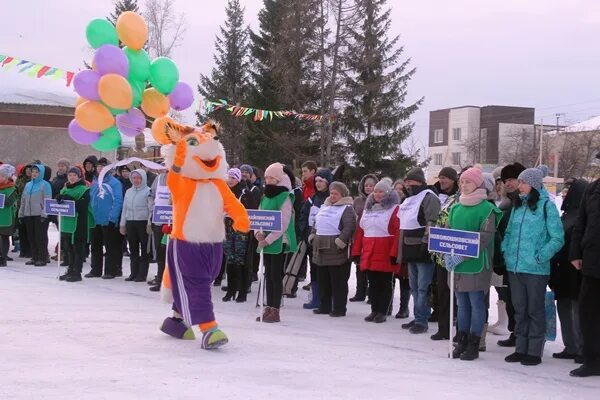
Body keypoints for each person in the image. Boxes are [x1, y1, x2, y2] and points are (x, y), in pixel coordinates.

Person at [502, 167, 564, 366]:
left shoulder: (547, 207)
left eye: (522, 182)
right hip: (515, 267)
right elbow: (509, 232)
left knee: (534, 310)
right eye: (519, 182)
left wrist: (541, 256)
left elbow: (557, 238)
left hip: (536, 269)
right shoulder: (517, 206)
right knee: (519, 309)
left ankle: (534, 351)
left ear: (534, 184)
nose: (519, 186)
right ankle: (520, 348)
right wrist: (506, 250)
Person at [444, 168, 502, 361]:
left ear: (477, 184)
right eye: (461, 182)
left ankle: (474, 342)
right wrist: (447, 253)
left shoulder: (487, 209)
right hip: (458, 265)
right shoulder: (455, 208)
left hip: (477, 264)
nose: (463, 185)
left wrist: (463, 254)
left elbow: (485, 238)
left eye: (467, 182)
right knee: (462, 304)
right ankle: (461, 339)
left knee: (476, 303)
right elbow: (448, 233)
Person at [398, 167, 441, 334]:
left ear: (420, 181)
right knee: (414, 286)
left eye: (411, 181)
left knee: (423, 286)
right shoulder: (409, 199)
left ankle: (422, 320)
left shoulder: (429, 197)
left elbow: (433, 220)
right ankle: (417, 316)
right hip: (409, 247)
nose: (408, 184)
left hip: (422, 248)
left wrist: (426, 241)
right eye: (406, 181)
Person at [549, 179, 588, 363]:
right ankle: (571, 346)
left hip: (574, 271)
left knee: (575, 310)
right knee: (565, 308)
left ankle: (581, 347)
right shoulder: (566, 215)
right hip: (562, 270)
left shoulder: (582, 216)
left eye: (568, 191)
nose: (564, 194)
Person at [352, 178, 400, 323]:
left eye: (381, 192)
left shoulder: (394, 209)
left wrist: (394, 253)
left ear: (388, 193)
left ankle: (383, 311)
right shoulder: (368, 209)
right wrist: (356, 251)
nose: (378, 194)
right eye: (376, 192)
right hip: (369, 251)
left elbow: (398, 232)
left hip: (385, 251)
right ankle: (374, 309)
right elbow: (360, 231)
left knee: (384, 283)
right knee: (372, 283)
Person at [569, 160, 600, 377]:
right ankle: (592, 361)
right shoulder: (593, 188)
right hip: (592, 260)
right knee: (588, 312)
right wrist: (575, 252)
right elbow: (581, 223)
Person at [256, 163, 298, 323]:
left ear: (279, 179)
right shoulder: (265, 196)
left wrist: (268, 239)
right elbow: (258, 216)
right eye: (266, 177)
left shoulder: (285, 196)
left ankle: (275, 309)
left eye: (271, 178)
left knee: (275, 274)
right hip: (265, 240)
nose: (268, 180)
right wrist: (258, 234)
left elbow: (283, 222)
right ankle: (268, 307)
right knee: (267, 275)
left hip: (277, 240)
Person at [309, 181, 356, 317]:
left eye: (336, 194)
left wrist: (341, 241)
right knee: (323, 280)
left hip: (336, 250)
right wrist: (312, 234)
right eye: (332, 193)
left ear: (342, 195)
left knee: (338, 281)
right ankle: (325, 306)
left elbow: (349, 226)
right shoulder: (325, 206)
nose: (333, 196)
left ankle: (339, 308)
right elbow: (316, 222)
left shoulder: (347, 208)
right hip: (321, 249)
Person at [494, 162, 526, 346]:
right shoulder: (507, 204)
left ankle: (525, 337)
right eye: (506, 180)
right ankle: (515, 333)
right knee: (511, 299)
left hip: (525, 260)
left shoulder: (528, 202)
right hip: (508, 260)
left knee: (522, 301)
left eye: (512, 179)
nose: (508, 183)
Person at [430, 167, 460, 340]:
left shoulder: (460, 200)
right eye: (440, 177)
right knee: (442, 291)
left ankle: (460, 329)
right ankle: (444, 327)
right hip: (441, 253)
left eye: (446, 178)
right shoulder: (445, 198)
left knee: (457, 293)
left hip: (456, 252)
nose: (442, 181)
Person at [298, 168, 333, 309]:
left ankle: (327, 299)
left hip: (328, 241)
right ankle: (315, 298)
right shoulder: (312, 198)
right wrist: (305, 233)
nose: (318, 184)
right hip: (312, 240)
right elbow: (302, 216)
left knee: (326, 271)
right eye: (316, 181)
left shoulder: (332, 198)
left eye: (321, 181)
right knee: (314, 269)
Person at [88, 158, 124, 279]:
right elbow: (91, 199)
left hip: (108, 220)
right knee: (95, 246)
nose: (100, 169)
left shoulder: (115, 183)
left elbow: (118, 201)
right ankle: (95, 270)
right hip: (95, 219)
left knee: (110, 247)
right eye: (98, 167)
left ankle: (110, 270)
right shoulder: (94, 182)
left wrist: (112, 217)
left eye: (103, 167)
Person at [57, 167, 91, 282]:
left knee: (77, 248)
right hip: (66, 222)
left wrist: (69, 199)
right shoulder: (65, 188)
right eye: (70, 175)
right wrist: (59, 198)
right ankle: (70, 269)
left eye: (74, 175)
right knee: (68, 248)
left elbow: (83, 205)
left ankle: (77, 272)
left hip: (78, 223)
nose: (71, 178)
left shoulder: (84, 189)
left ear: (79, 177)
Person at [222, 168, 251, 303]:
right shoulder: (224, 192)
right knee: (230, 259)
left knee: (240, 260)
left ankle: (243, 291)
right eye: (229, 177)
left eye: (233, 178)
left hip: (240, 228)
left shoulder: (244, 192)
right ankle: (231, 289)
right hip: (227, 226)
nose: (230, 180)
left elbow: (249, 210)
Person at [120, 169, 152, 282]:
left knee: (144, 249)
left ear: (143, 179)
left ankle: (142, 274)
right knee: (133, 249)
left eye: (139, 178)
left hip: (142, 222)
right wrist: (122, 224)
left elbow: (150, 209)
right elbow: (124, 208)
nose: (136, 180)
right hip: (131, 222)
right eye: (134, 178)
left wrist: (149, 223)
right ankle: (133, 273)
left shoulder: (148, 191)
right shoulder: (129, 191)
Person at [350, 174, 378, 302]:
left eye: (371, 185)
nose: (368, 187)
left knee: (371, 266)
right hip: (358, 236)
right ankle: (360, 292)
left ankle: (372, 294)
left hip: (372, 236)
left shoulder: (378, 201)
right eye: (366, 185)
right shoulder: (357, 201)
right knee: (359, 266)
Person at [18, 164, 52, 267]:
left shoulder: (45, 185)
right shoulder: (28, 185)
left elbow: (47, 200)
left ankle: (42, 257)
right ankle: (34, 256)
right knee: (31, 237)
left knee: (40, 237)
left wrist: (44, 214)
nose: (34, 174)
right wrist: (21, 213)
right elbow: (23, 200)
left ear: (41, 173)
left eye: (37, 172)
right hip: (28, 214)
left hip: (39, 215)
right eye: (33, 172)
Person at [240, 164, 263, 284]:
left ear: (250, 174)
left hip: (251, 224)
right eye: (242, 172)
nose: (243, 174)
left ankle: (252, 273)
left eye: (246, 172)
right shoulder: (237, 187)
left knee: (252, 250)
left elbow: (255, 206)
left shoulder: (255, 189)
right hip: (238, 225)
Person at [147, 169, 169, 292]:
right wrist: (152, 209)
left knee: (169, 251)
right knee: (160, 251)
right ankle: (160, 278)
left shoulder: (179, 177)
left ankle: (169, 280)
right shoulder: (158, 178)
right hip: (159, 219)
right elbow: (151, 195)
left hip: (173, 221)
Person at [0, 165, 17, 267]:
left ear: (6, 177)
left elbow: (8, 202)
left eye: (1, 175)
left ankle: (3, 257)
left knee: (4, 237)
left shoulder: (12, 189)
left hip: (7, 217)